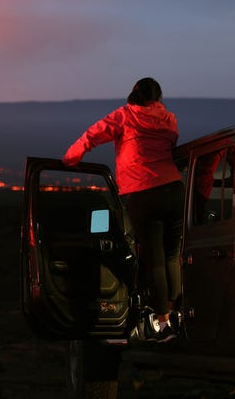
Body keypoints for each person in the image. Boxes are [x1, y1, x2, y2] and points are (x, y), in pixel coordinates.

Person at [62, 77, 183, 343]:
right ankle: (176, 312)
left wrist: (72, 156)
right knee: (173, 255)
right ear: (158, 97)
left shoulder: (125, 116)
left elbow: (94, 134)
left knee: (155, 260)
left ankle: (162, 323)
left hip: (143, 191)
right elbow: (171, 145)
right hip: (174, 190)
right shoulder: (170, 119)